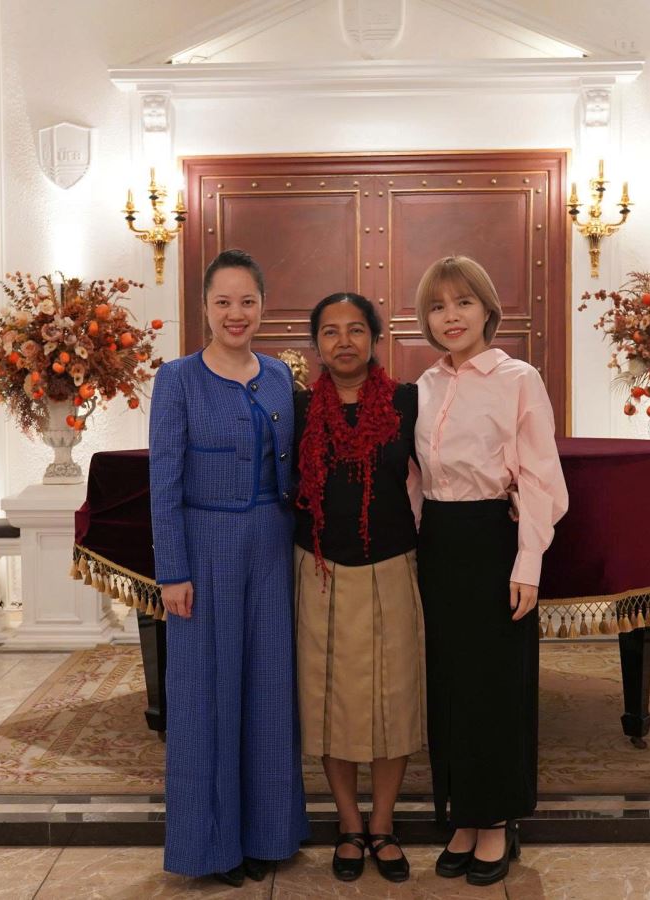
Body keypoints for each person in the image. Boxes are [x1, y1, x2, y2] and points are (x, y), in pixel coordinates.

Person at [149, 248, 308, 887]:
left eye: (247, 301)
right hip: (204, 547)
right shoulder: (177, 380)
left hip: (272, 546)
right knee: (204, 695)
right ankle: (212, 847)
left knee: (270, 690)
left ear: (263, 306)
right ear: (205, 308)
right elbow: (163, 481)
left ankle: (269, 834)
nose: (235, 313)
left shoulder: (279, 377)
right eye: (223, 302)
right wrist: (171, 570)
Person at [413, 255, 568, 887]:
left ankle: (497, 820)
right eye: (437, 306)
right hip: (437, 543)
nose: (450, 317)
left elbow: (540, 478)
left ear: (487, 309)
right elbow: (414, 477)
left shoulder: (517, 378)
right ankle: (462, 815)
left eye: (463, 303)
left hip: (493, 542)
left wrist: (528, 563)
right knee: (448, 684)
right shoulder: (424, 385)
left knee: (495, 686)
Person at [292, 292, 423, 884]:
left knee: (393, 699)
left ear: (374, 339)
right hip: (318, 568)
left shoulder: (407, 402)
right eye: (329, 331)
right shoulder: (297, 408)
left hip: (391, 564)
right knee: (328, 702)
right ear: (316, 346)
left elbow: (452, 467)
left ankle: (384, 824)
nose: (343, 341)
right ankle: (349, 825)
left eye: (355, 330)